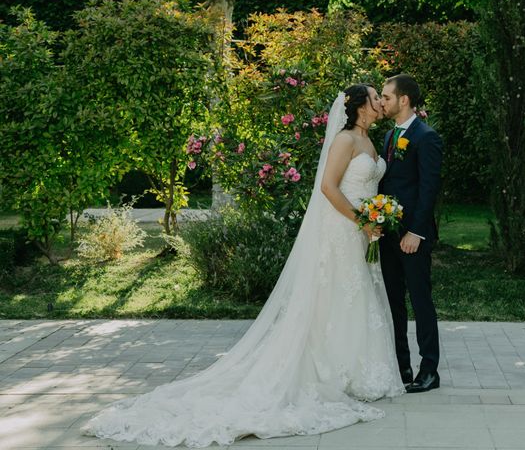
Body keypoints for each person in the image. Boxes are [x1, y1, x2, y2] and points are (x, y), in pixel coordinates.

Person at [84, 84, 404, 448]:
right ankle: (329, 372)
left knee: (351, 297)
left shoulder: (370, 142)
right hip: (342, 229)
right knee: (333, 296)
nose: (381, 101)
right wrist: (361, 219)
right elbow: (329, 188)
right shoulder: (346, 140)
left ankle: (353, 371)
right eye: (376, 97)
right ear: (361, 105)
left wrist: (374, 217)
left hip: (359, 232)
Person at [379, 74, 443, 393]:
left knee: (420, 300)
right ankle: (402, 366)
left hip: (413, 235)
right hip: (388, 233)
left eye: (386, 96)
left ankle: (429, 369)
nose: (382, 101)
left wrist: (416, 232)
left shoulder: (426, 137)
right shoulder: (390, 137)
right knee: (393, 301)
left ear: (404, 100)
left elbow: (428, 188)